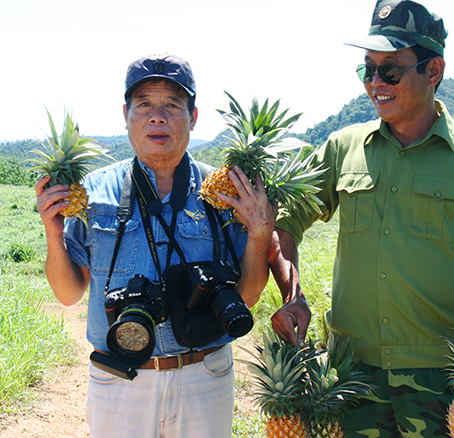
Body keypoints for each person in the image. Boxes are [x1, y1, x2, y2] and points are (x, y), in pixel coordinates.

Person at [268, 0, 454, 438]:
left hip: (445, 377)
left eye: (392, 71)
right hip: (352, 375)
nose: (376, 83)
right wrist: (293, 294)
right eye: (368, 70)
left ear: (434, 70)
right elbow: (287, 221)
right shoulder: (343, 147)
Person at [35, 53, 275, 438]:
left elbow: (246, 295)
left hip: (205, 374)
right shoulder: (93, 193)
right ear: (126, 114)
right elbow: (67, 294)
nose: (157, 116)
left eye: (172, 105)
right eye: (144, 104)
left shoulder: (225, 194)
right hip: (120, 379)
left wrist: (261, 233)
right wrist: (52, 228)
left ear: (193, 117)